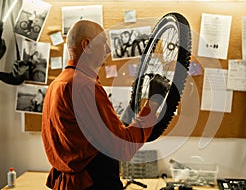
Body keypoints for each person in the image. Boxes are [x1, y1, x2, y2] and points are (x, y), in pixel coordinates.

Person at [41, 20, 170, 190]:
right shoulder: (83, 85)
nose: (109, 50)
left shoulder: (56, 84)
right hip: (92, 184)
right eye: (103, 43)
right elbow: (123, 148)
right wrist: (153, 102)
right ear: (87, 45)